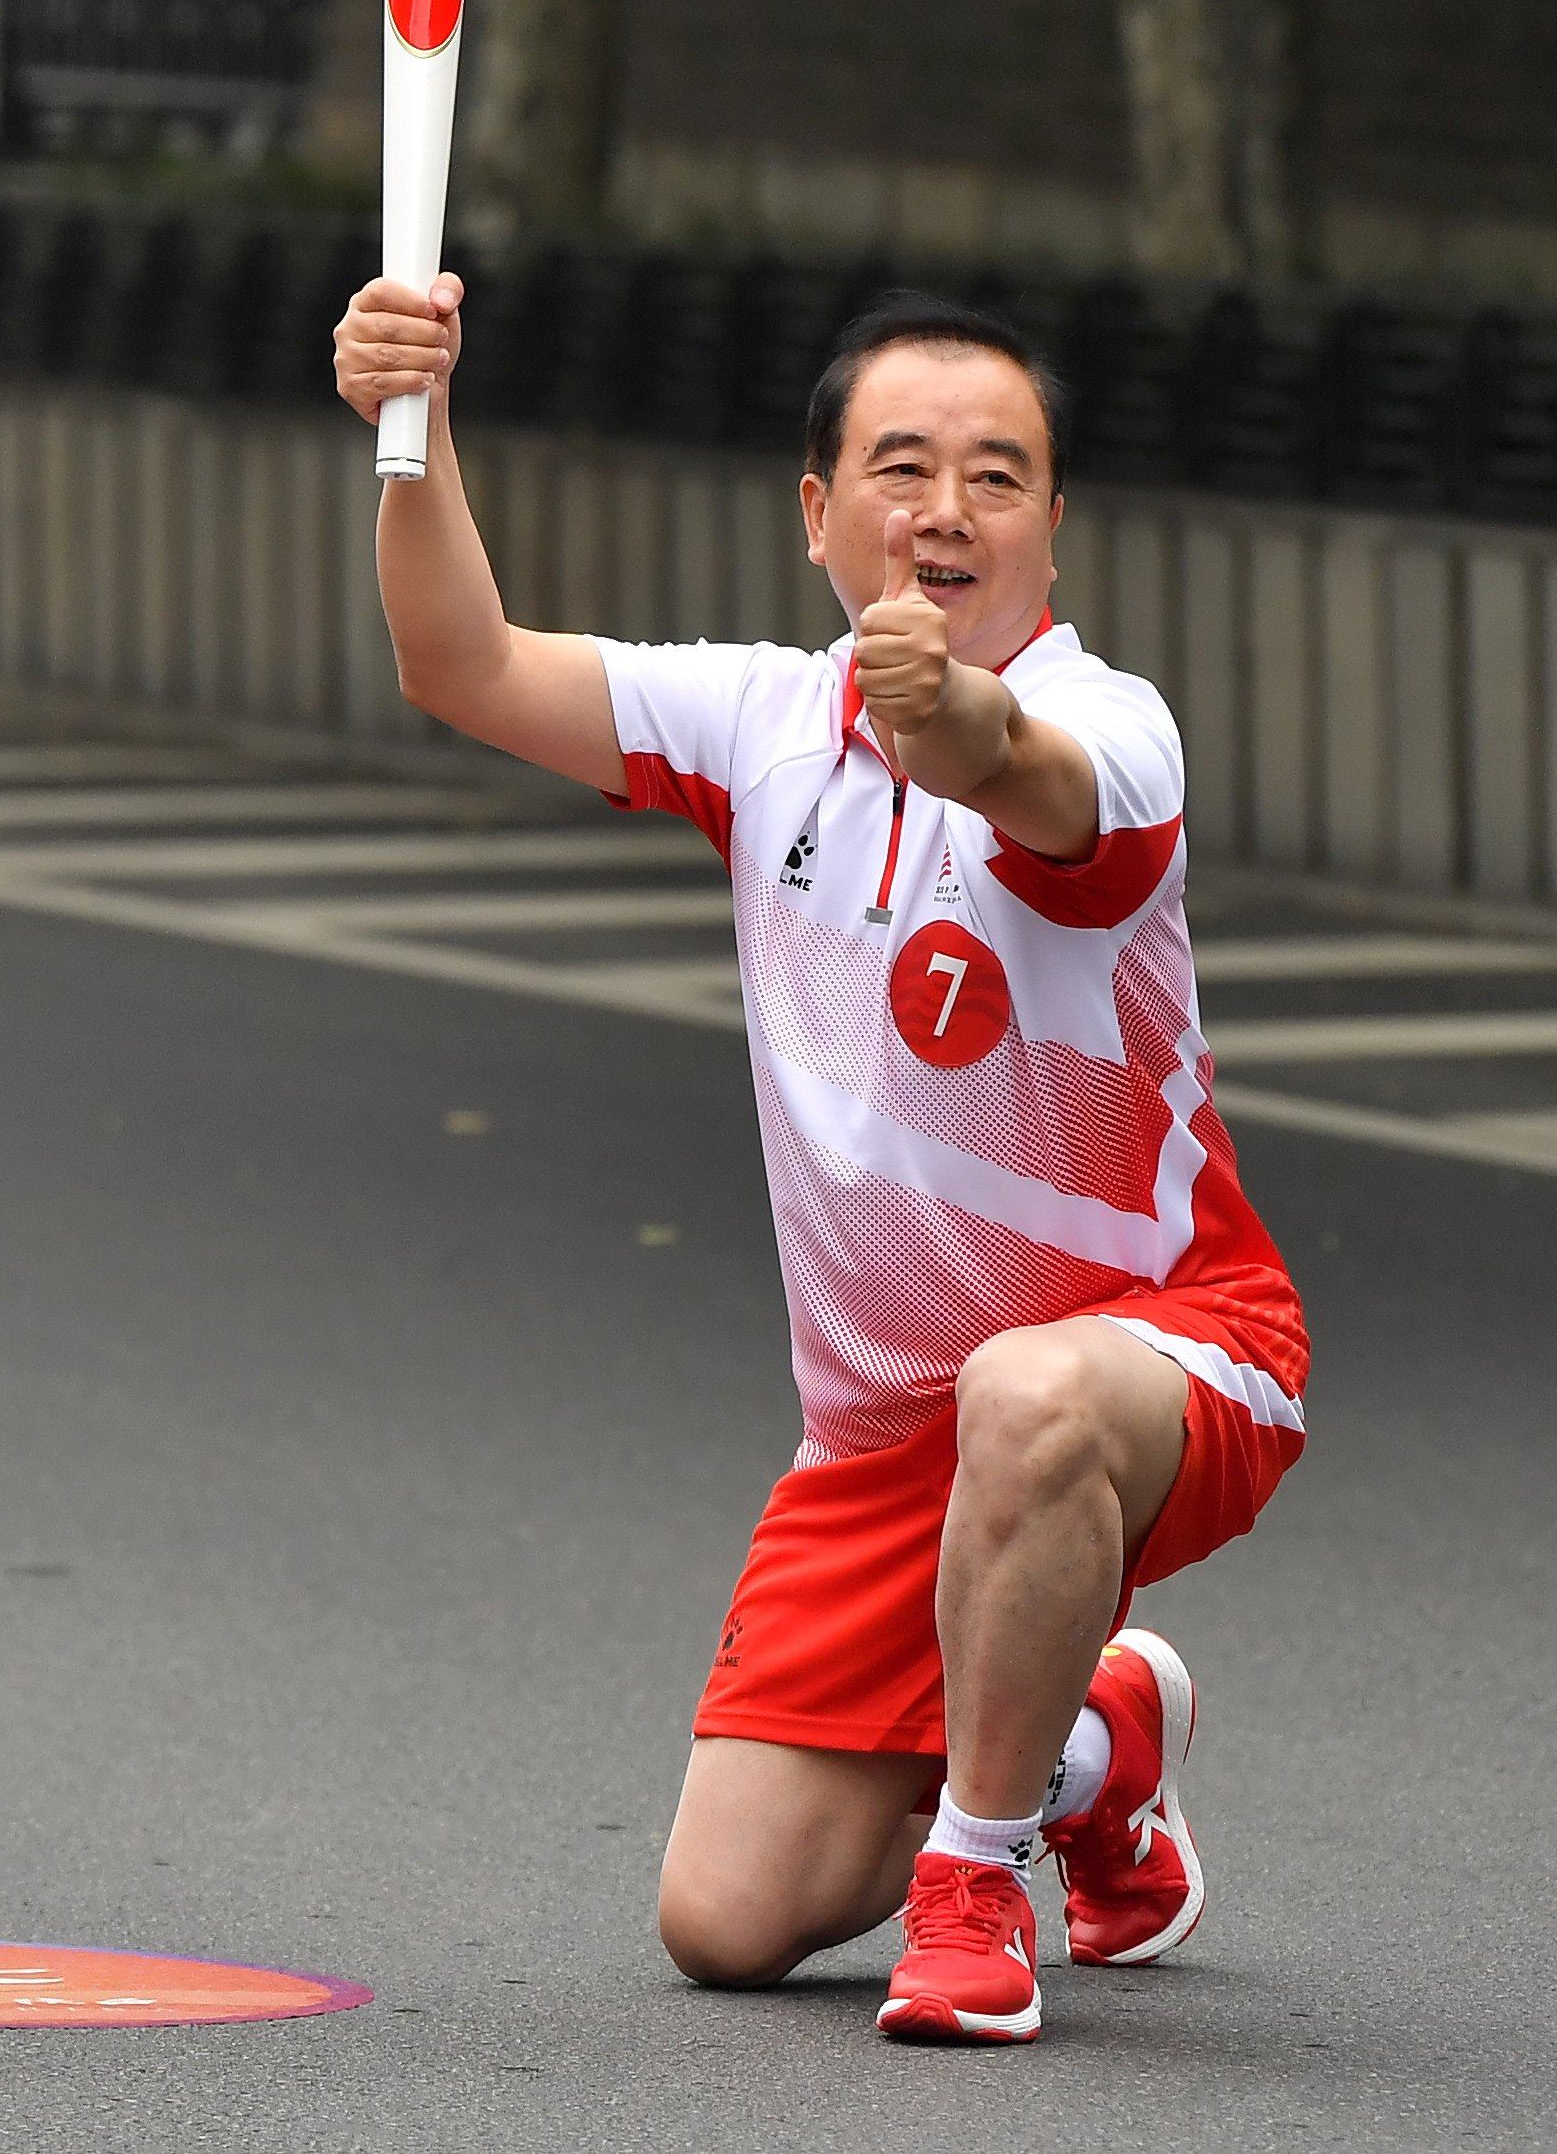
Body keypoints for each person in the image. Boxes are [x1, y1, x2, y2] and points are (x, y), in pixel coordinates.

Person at [333, 280, 1309, 2047]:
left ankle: (974, 1876)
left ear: (1053, 527)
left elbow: (1008, 768)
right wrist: (413, 430)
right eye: (901, 465)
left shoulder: (1118, 730)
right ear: (814, 506)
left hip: (1171, 1348)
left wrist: (946, 711)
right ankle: (1093, 1741)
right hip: (884, 1442)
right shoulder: (757, 726)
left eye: (996, 476)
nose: (945, 508)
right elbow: (458, 661)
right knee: (723, 1915)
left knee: (1026, 1394)